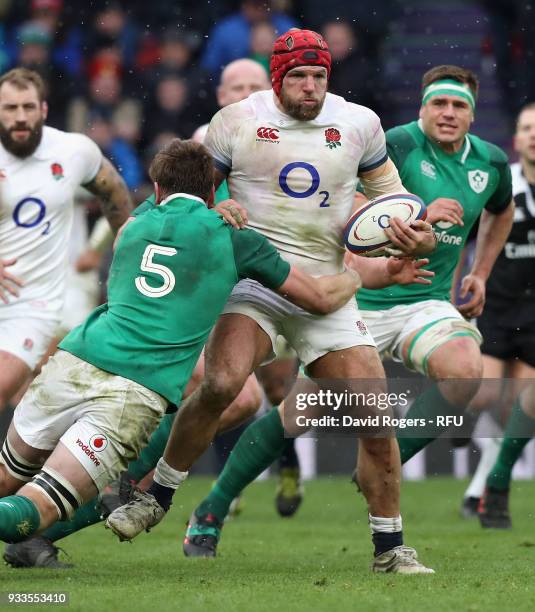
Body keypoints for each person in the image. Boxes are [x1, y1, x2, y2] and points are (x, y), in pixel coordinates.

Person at [106, 28, 436, 575]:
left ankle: (390, 548)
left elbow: (393, 200)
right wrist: (217, 210)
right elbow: (191, 198)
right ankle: (156, 495)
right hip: (256, 283)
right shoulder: (235, 120)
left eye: (319, 76)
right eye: (298, 76)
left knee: (375, 416)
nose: (310, 87)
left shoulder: (361, 124)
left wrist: (417, 234)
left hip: (325, 291)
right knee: (221, 385)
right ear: (278, 76)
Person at [170, 63, 514, 557]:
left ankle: (380, 459)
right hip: (360, 299)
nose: (448, 113)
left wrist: (480, 270)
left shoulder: (491, 162)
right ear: (422, 105)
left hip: (425, 301)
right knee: (295, 416)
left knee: (463, 372)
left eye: (459, 105)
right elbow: (343, 212)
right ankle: (213, 507)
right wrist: (418, 211)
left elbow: (502, 210)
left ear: (473, 115)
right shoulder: (388, 140)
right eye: (439, 102)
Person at [0, 137, 361, 546]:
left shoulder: (135, 225)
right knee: (36, 509)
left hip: (74, 361)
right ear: (213, 190)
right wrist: (354, 273)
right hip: (133, 391)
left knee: (7, 476)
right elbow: (317, 298)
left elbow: (135, 234)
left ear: (156, 189)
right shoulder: (235, 239)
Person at [0, 67, 133, 414]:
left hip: (30, 305)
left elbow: (114, 191)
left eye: (28, 107)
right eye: (10, 108)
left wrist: (125, 246)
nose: (20, 117)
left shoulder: (74, 151)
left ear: (43, 110)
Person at [462, 103, 535, 528]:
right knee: (484, 397)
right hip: (497, 306)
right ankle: (482, 472)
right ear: (517, 138)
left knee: (522, 407)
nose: (533, 135)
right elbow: (464, 235)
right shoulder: (497, 183)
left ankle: (489, 488)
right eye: (527, 128)